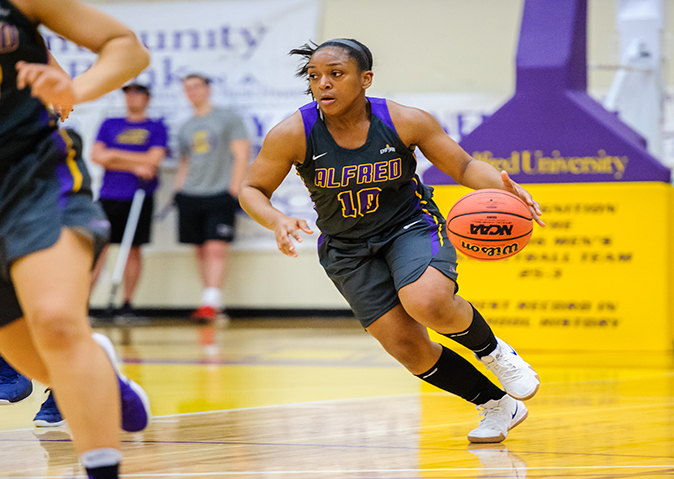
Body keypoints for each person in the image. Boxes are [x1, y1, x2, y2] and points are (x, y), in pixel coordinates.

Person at [239, 39, 545, 443]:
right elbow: (251, 188)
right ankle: (496, 405)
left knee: (426, 300)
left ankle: (494, 353)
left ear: (365, 79)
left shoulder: (404, 121)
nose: (323, 84)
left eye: (336, 74)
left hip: (408, 225)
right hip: (346, 247)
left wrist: (506, 188)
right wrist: (276, 219)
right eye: (314, 77)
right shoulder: (293, 133)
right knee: (408, 347)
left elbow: (464, 165)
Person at [0, 1, 151, 478]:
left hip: (30, 176)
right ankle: (103, 379)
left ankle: (101, 466)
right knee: (34, 359)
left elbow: (126, 48)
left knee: (55, 322)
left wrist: (74, 86)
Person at [174, 73, 251, 323]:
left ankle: (211, 302)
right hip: (191, 193)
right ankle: (210, 303)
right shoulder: (186, 126)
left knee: (216, 247)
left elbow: (242, 153)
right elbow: (185, 161)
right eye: (187, 88)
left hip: (220, 192)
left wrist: (235, 188)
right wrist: (178, 189)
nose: (192, 92)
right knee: (199, 249)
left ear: (208, 89)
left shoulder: (227, 119)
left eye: (196, 86)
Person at [91, 83, 168, 317]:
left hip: (139, 195)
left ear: (147, 98)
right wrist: (137, 163)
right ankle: (83, 304)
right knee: (99, 249)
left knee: (133, 249)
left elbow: (154, 159)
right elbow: (98, 156)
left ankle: (127, 303)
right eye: (128, 94)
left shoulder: (156, 127)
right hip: (109, 196)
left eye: (138, 93)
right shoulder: (110, 124)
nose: (132, 98)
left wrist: (115, 156)